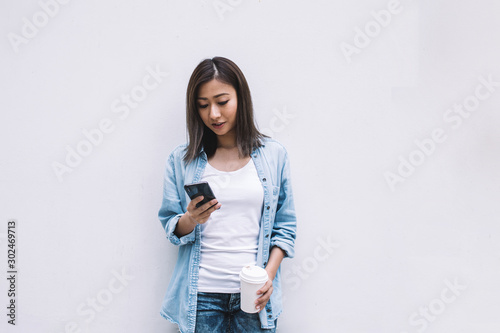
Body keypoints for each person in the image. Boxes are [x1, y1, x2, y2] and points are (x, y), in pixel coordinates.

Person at [158, 56, 297, 333]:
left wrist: (267, 277)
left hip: (255, 298)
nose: (214, 114)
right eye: (203, 105)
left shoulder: (274, 155)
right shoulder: (181, 160)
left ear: (241, 98)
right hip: (201, 297)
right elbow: (171, 226)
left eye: (222, 102)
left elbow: (286, 227)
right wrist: (191, 218)